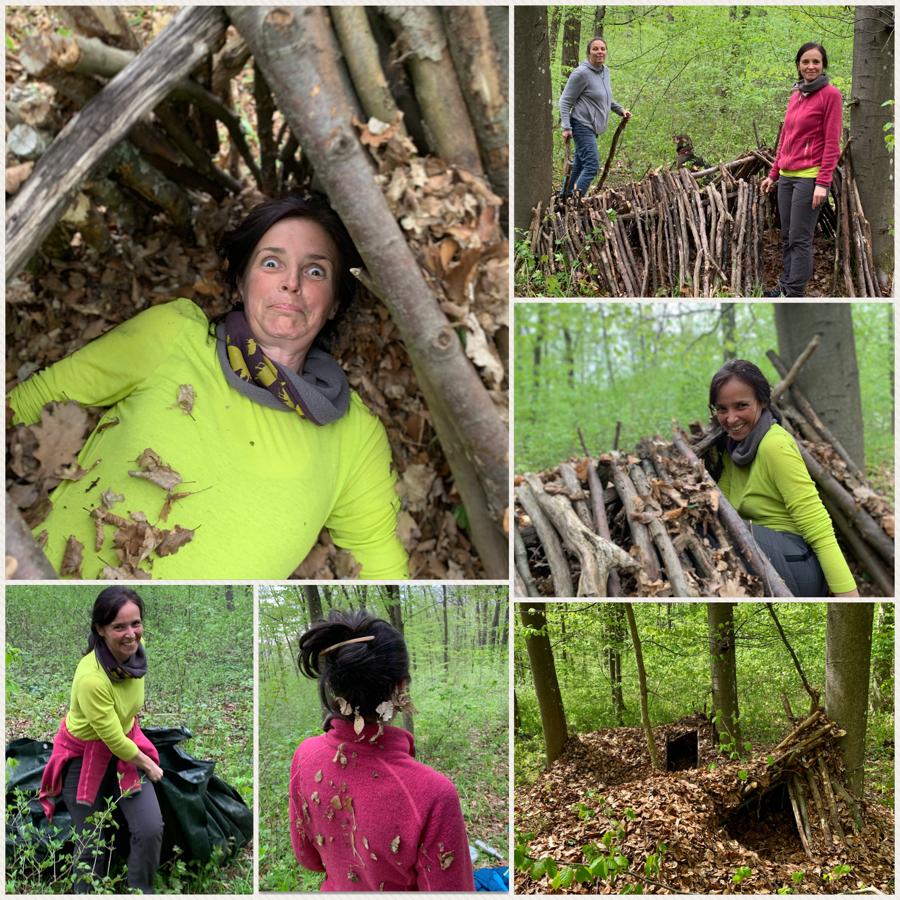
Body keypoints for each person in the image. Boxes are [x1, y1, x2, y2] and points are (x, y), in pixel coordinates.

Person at [8, 196, 408, 580]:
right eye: (272, 263)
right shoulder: (174, 337)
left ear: (335, 301)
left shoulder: (354, 435)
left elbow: (381, 568)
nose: (292, 283)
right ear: (240, 282)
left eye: (315, 271)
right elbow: (30, 405)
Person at [290, 610, 475, 891]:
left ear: (333, 687)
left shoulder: (305, 756)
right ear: (401, 687)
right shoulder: (434, 795)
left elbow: (309, 858)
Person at [38, 588, 164, 893]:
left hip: (123, 749)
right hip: (85, 756)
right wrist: (149, 764)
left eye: (135, 623)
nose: (131, 634)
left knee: (149, 829)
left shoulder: (137, 652)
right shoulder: (92, 679)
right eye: (119, 627)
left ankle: (140, 890)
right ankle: (87, 892)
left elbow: (123, 729)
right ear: (100, 630)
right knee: (92, 838)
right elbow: (113, 741)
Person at [708, 359, 858, 597]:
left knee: (737, 534)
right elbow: (723, 509)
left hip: (797, 565)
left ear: (763, 401)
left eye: (741, 406)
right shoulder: (731, 449)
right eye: (722, 409)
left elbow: (818, 528)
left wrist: (848, 599)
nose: (731, 418)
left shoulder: (774, 445)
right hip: (763, 555)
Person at [760, 43, 842, 297]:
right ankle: (786, 286)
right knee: (787, 236)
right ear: (798, 65)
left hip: (809, 178)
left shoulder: (831, 95)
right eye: (805, 61)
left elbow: (832, 143)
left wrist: (822, 183)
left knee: (800, 237)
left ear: (823, 65)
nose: (810, 66)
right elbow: (786, 138)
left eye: (816, 62)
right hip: (786, 177)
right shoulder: (796, 94)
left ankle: (793, 293)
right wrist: (773, 173)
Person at [559, 37, 632, 198]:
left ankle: (564, 197)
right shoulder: (581, 73)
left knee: (578, 166)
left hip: (593, 128)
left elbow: (605, 98)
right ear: (589, 52)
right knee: (591, 166)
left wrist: (620, 110)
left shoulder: (605, 71)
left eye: (602, 49)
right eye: (595, 49)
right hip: (581, 125)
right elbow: (565, 101)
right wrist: (566, 127)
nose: (600, 52)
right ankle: (576, 201)